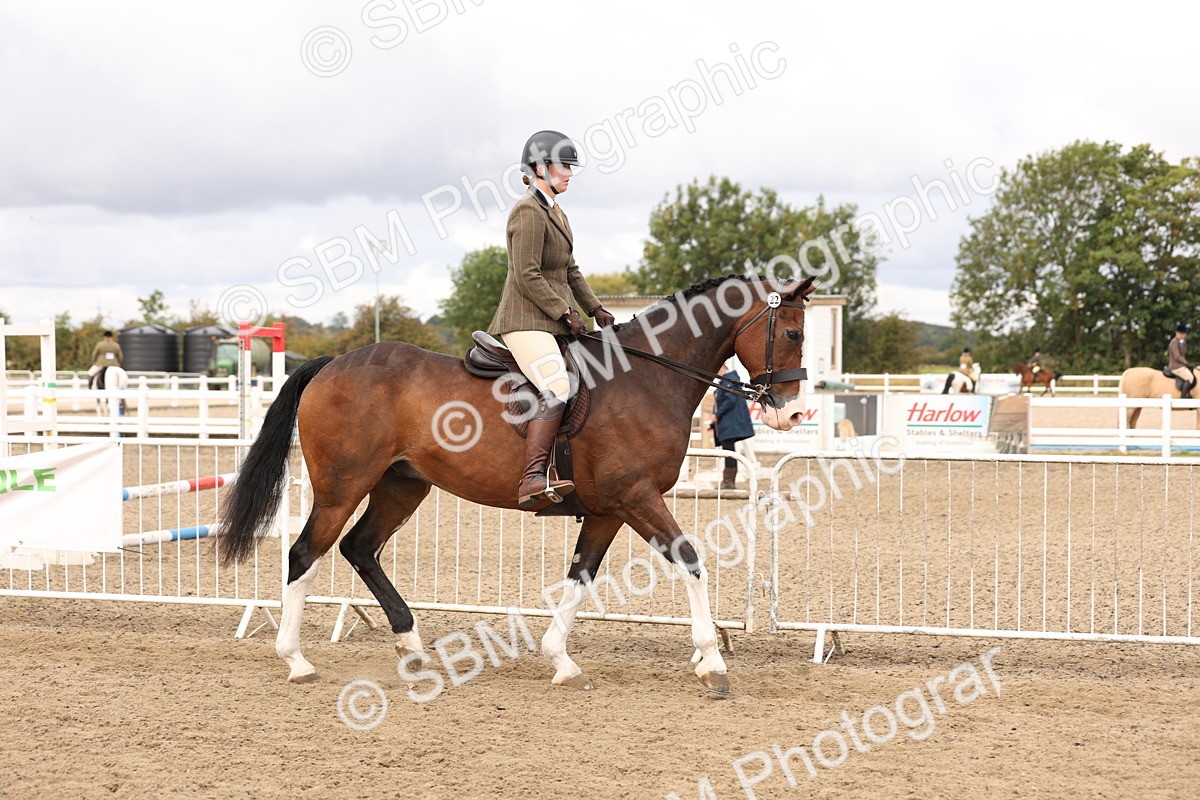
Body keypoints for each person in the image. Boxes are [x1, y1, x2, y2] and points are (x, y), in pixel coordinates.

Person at [487, 130, 615, 509]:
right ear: (540, 168)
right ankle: (531, 478)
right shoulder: (527, 211)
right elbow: (527, 274)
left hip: (552, 320)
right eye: (564, 166)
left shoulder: (557, 212)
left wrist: (595, 309)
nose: (570, 173)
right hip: (524, 320)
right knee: (558, 385)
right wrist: (565, 312)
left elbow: (570, 271)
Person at [709, 363, 755, 489]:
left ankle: (728, 481)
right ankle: (728, 481)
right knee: (729, 451)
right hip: (728, 423)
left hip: (730, 423)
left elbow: (729, 400)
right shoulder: (728, 381)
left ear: (722, 368)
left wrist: (717, 415)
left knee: (729, 451)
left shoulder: (728, 380)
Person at [1168, 323, 1194, 399]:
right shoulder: (1174, 342)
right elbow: (1177, 356)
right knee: (1190, 377)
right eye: (1180, 333)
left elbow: (1182, 355)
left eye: (1183, 334)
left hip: (1181, 365)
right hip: (1175, 366)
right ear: (1177, 333)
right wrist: (1187, 363)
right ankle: (1183, 397)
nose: (1182, 335)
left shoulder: (1183, 342)